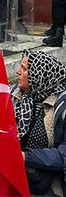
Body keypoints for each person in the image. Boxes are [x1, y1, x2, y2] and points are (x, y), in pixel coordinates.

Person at [14, 50, 66, 195]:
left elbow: (64, 154)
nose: (18, 72)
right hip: (15, 172)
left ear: (39, 74)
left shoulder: (62, 105)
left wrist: (26, 157)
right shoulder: (16, 96)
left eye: (24, 69)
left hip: (53, 182)